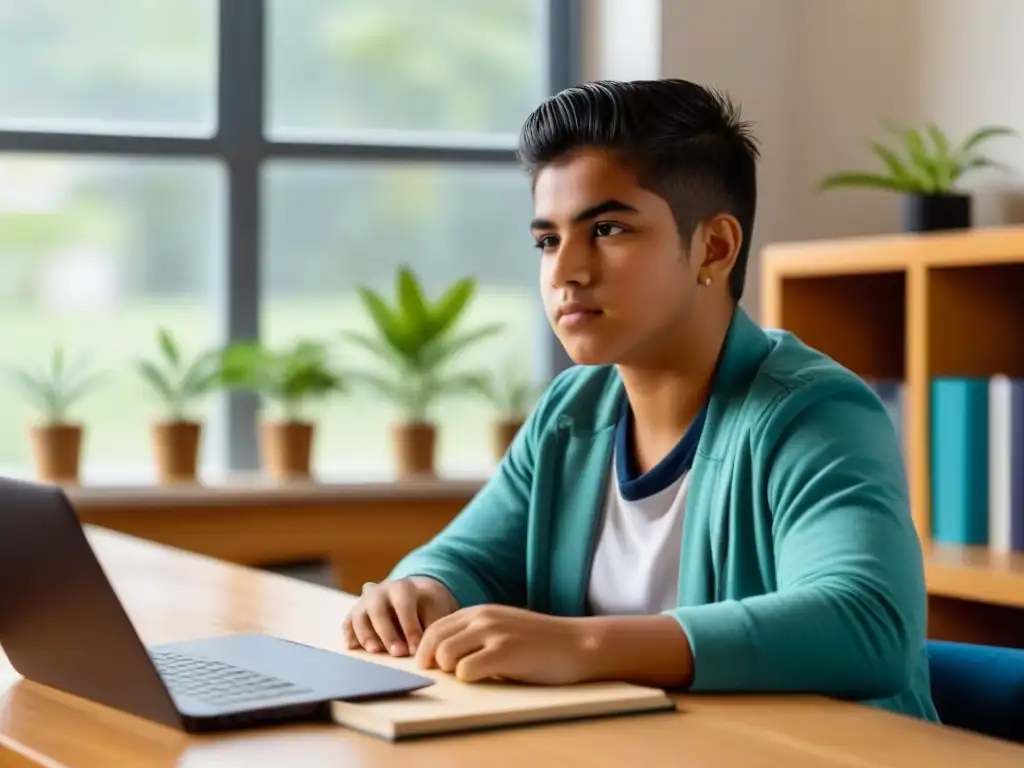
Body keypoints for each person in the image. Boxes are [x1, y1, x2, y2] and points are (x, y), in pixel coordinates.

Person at [341, 78, 939, 722]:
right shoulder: (573, 410)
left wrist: (585, 646)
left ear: (714, 247)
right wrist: (422, 589)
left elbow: (867, 622)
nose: (566, 270)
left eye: (606, 228)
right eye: (547, 239)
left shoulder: (813, 413)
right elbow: (470, 555)